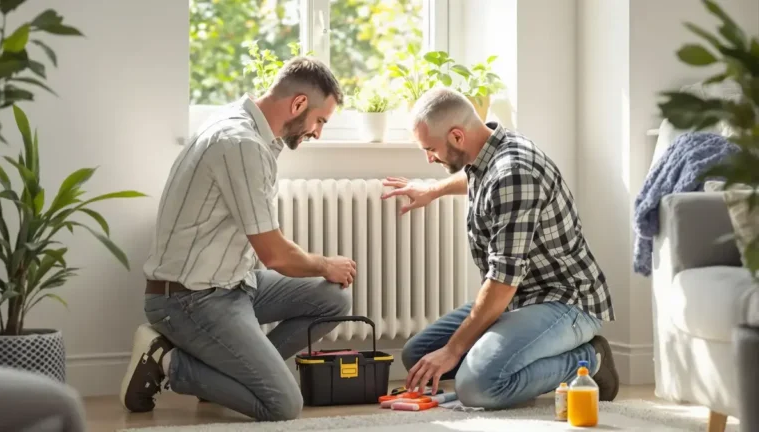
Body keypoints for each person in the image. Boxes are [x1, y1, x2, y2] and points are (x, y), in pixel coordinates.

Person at [119, 57, 357, 421]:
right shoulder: (241, 143)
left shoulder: (241, 123)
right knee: (283, 405)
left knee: (333, 298)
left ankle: (226, 378)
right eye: (320, 120)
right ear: (297, 105)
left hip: (234, 283)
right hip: (189, 299)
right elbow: (275, 254)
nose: (318, 132)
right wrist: (326, 263)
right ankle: (169, 361)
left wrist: (326, 272)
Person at [381, 87, 619, 409]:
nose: (429, 158)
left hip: (564, 300)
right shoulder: (487, 153)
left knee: (477, 386)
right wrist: (432, 190)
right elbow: (477, 180)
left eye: (431, 149)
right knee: (417, 356)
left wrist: (453, 350)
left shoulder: (513, 173)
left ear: (456, 136)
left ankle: (591, 359)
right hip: (519, 297)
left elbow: (503, 281)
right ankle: (518, 363)